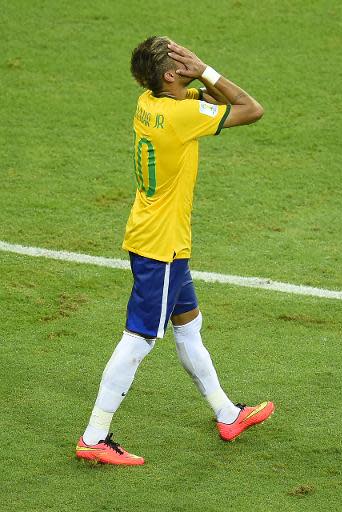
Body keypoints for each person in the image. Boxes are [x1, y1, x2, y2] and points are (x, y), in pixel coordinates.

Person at [76, 36, 275, 466]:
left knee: (188, 325)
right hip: (160, 245)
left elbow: (212, 102)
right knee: (139, 339)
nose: (189, 60)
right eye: (181, 60)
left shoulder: (150, 103)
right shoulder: (184, 113)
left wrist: (196, 75)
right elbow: (251, 109)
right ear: (170, 75)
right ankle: (94, 435)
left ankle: (227, 414)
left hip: (156, 235)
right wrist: (206, 69)